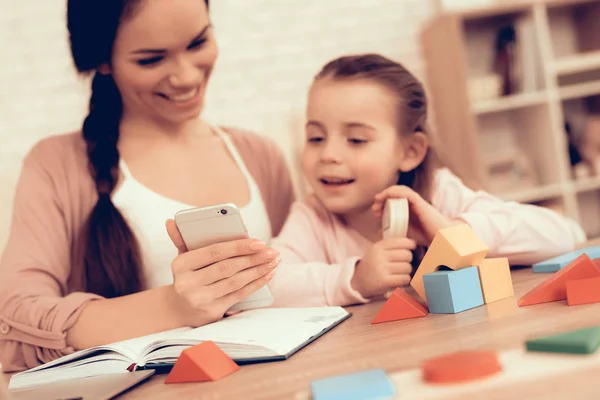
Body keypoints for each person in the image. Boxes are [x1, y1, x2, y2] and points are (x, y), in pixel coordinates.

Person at [0, 0, 294, 372]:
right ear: (102, 60)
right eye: (151, 60)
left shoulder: (259, 155)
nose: (186, 76)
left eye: (198, 42)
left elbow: (312, 273)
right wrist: (173, 305)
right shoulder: (57, 165)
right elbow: (14, 321)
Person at [268, 53, 585, 307]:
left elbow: (563, 234)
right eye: (316, 137)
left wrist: (453, 232)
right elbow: (267, 287)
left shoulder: (440, 194)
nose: (329, 155)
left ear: (410, 151)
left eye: (356, 140)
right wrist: (354, 279)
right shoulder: (312, 217)